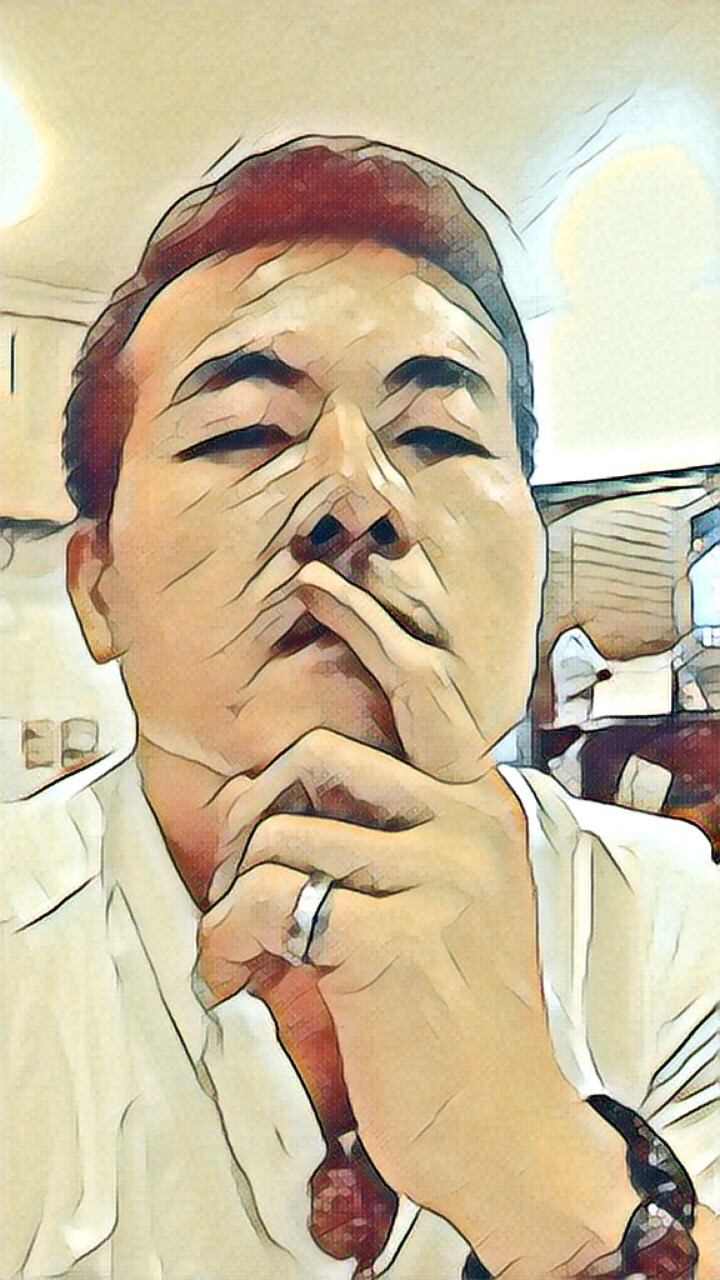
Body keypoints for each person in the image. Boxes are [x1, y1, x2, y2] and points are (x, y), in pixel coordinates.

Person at [1, 136, 717, 1280]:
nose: (354, 494)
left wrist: (545, 1175)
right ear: (98, 589)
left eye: (438, 436)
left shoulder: (677, 924)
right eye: (241, 432)